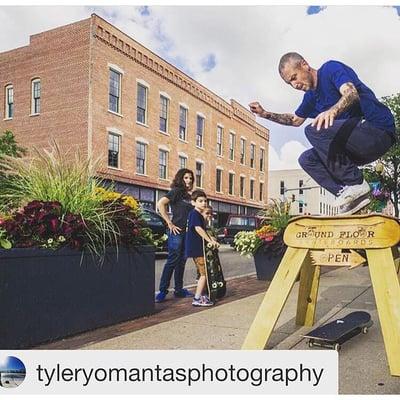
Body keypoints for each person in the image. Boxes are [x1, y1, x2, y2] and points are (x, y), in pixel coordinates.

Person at [249, 52, 396, 215]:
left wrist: (332, 111)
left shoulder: (330, 69)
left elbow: (351, 93)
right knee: (307, 159)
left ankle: (355, 182)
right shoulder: (310, 98)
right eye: (290, 83)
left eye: (294, 77)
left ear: (304, 64)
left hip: (376, 130)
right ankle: (352, 196)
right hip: (356, 147)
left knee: (314, 130)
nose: (295, 85)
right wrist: (264, 114)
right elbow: (294, 120)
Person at [155, 168, 195, 302]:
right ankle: (162, 291)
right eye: (186, 178)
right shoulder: (176, 191)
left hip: (187, 232)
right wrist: (169, 223)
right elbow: (160, 203)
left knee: (182, 261)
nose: (188, 180)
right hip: (176, 231)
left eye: (190, 178)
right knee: (172, 260)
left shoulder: (188, 196)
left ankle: (179, 290)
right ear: (180, 179)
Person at [185, 190, 219, 307]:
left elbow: (203, 230)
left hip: (198, 248)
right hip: (197, 248)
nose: (203, 203)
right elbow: (198, 229)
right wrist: (210, 240)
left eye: (205, 201)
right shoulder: (194, 214)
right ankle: (197, 298)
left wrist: (211, 239)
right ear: (193, 202)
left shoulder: (198, 214)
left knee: (202, 273)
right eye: (200, 201)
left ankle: (202, 295)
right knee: (204, 274)